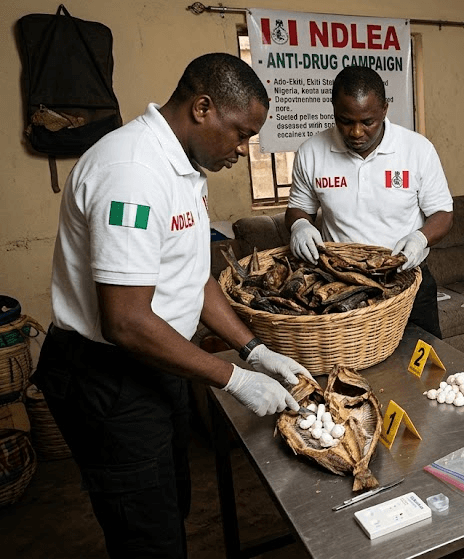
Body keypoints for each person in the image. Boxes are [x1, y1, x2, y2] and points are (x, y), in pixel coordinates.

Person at [32, 53, 309, 559]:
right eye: (241, 134)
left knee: (170, 503)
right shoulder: (133, 172)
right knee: (146, 536)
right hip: (109, 378)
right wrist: (235, 380)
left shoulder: (182, 166)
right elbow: (126, 322)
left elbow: (191, 277)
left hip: (159, 362)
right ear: (202, 108)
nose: (243, 150)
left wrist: (254, 350)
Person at [286, 66, 453, 338]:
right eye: (345, 121)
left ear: (385, 109)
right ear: (333, 109)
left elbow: (443, 214)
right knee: (352, 359)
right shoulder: (311, 152)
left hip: (407, 280)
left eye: (367, 122)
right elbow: (298, 209)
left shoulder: (417, 150)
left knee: (422, 356)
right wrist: (300, 226)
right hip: (341, 285)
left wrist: (420, 238)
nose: (356, 132)